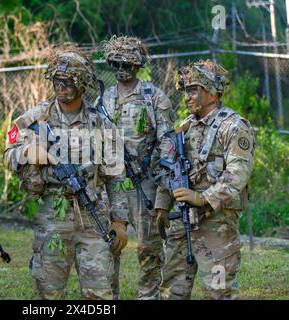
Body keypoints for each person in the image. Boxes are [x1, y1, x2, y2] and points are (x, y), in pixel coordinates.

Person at [4, 45, 129, 299]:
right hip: (53, 213)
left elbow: (117, 176)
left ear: (82, 84)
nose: (61, 87)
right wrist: (29, 154)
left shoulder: (101, 123)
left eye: (68, 82)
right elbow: (8, 153)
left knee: (100, 292)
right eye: (57, 81)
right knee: (49, 292)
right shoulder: (35, 118)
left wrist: (120, 222)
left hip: (93, 213)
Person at [157, 59, 256, 300]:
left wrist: (202, 198)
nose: (187, 97)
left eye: (193, 90)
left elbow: (238, 173)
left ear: (212, 91)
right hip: (183, 220)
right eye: (185, 91)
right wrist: (162, 205)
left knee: (220, 290)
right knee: (171, 288)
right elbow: (170, 168)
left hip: (217, 223)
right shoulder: (185, 127)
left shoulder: (233, 126)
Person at [98, 35, 175, 300]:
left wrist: (164, 192)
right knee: (110, 243)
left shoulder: (154, 97)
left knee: (148, 247)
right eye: (116, 64)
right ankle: (109, 298)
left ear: (137, 65)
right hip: (111, 184)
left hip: (145, 182)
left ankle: (149, 295)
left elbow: (168, 143)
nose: (121, 70)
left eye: (127, 65)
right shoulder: (105, 98)